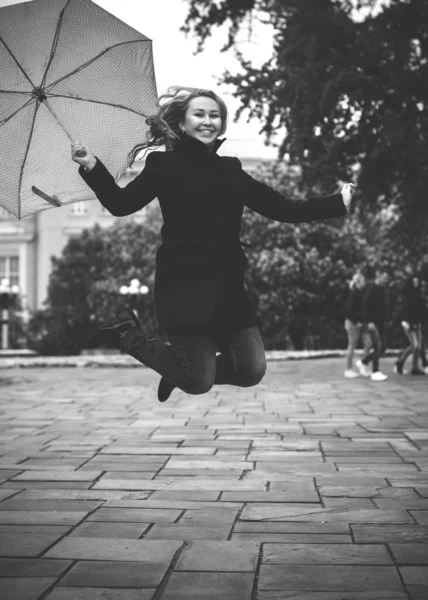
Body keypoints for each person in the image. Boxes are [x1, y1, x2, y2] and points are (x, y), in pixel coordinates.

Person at [71, 86, 355, 402]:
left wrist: (336, 203)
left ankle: (179, 370)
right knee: (198, 381)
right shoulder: (163, 166)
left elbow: (282, 208)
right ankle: (127, 335)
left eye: (215, 115)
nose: (209, 121)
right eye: (200, 114)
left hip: (227, 286)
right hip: (184, 285)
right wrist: (92, 166)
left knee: (251, 371)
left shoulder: (230, 168)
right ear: (181, 123)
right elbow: (121, 204)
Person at [356, 267, 389, 381]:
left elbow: (384, 306)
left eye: (387, 278)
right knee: (377, 346)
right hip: (372, 323)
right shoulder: (371, 289)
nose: (386, 280)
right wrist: (369, 321)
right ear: (378, 275)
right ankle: (375, 371)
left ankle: (363, 362)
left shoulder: (383, 289)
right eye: (384, 277)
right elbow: (365, 306)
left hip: (381, 322)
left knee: (383, 347)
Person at [394, 273, 426, 376]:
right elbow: (406, 311)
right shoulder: (407, 295)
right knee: (415, 345)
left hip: (417, 324)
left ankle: (414, 367)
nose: (416, 283)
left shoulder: (418, 294)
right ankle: (401, 362)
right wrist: (410, 323)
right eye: (414, 281)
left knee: (418, 346)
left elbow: (421, 310)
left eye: (417, 281)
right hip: (409, 324)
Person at [344, 270, 365, 378]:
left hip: (355, 322)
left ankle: (358, 366)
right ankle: (348, 369)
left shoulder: (359, 293)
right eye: (363, 280)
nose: (364, 282)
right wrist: (356, 322)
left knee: (356, 345)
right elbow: (349, 310)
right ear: (358, 282)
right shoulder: (354, 293)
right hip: (352, 323)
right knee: (351, 346)